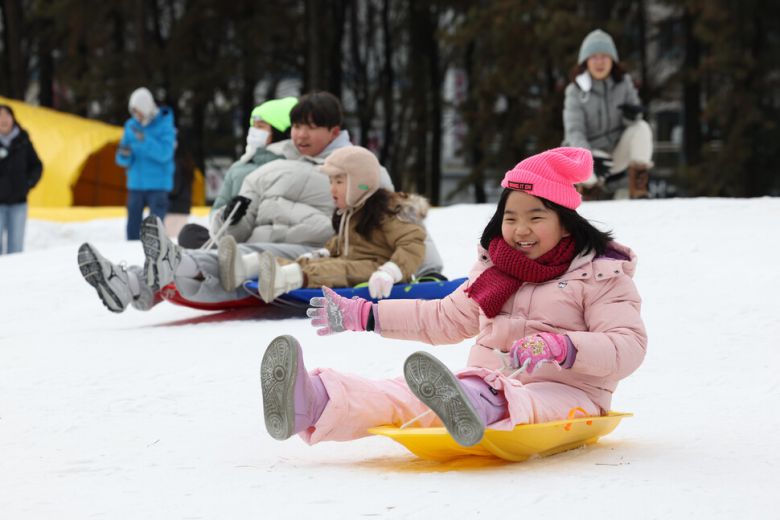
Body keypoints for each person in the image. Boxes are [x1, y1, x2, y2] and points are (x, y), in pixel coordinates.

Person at [257, 147, 647, 449]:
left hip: (569, 396)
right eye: (511, 218)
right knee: (405, 395)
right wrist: (365, 314)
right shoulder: (497, 271)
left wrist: (562, 347)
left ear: (565, 223)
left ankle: (472, 403)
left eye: (536, 217)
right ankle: (311, 400)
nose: (520, 230)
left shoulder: (599, 273)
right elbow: (443, 318)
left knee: (505, 396)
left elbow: (627, 346)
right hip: (484, 382)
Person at [76, 92, 411, 312]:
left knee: (247, 257)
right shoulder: (272, 166)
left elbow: (399, 223)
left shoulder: (360, 166)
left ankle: (152, 273)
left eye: (310, 127)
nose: (301, 134)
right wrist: (231, 217)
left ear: (333, 130)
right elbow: (237, 227)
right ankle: (135, 282)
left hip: (317, 249)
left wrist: (422, 272)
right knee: (231, 253)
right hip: (261, 245)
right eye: (296, 126)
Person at [217, 146, 427, 302]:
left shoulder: (387, 211)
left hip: (378, 273)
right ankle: (249, 266)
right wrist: (323, 253)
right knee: (315, 263)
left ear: (360, 182)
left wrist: (390, 272)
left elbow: (412, 244)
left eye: (339, 181)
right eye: (330, 182)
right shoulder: (352, 211)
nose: (332, 189)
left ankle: (286, 279)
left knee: (336, 268)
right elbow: (342, 242)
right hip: (352, 264)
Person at [177, 96, 298, 248]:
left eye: (261, 126)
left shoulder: (293, 166)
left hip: (270, 241)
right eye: (253, 126)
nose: (254, 131)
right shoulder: (239, 168)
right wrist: (225, 215)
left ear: (279, 130)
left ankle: (218, 260)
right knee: (190, 233)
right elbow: (217, 208)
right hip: (232, 237)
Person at [562, 29, 654, 199]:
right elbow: (574, 132)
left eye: (604, 56)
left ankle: (639, 188)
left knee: (641, 128)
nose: (599, 62)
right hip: (588, 154)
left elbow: (634, 122)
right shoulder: (574, 91)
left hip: (615, 154)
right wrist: (588, 157)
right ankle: (588, 193)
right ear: (586, 61)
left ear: (612, 60)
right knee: (578, 158)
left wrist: (631, 117)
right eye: (594, 57)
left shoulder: (624, 83)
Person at [116, 87, 176, 240]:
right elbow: (121, 159)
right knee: (132, 231)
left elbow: (165, 154)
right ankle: (131, 258)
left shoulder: (165, 123)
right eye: (133, 112)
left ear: (146, 108)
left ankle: (156, 259)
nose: (136, 116)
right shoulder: (131, 125)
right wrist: (125, 155)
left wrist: (144, 140)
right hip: (136, 185)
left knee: (154, 232)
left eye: (139, 111)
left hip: (158, 186)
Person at [0, 104, 42, 254]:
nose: (3, 119)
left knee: (16, 248)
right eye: (0, 116)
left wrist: (28, 183)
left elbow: (37, 165)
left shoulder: (23, 141)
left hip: (18, 204)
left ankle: (15, 277)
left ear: (13, 119)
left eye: (7, 115)